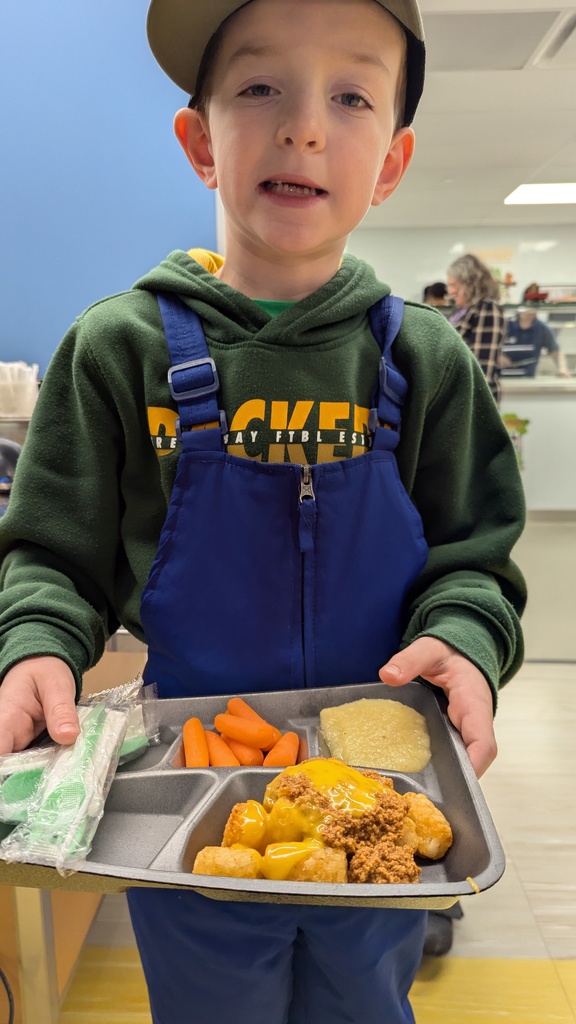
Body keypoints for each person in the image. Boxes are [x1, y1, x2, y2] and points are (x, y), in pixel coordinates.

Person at [0, 1, 526, 1022]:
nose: (305, 127)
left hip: (381, 790)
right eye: (259, 87)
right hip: (191, 804)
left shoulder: (425, 360)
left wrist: (466, 637)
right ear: (201, 142)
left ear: (392, 161)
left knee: (365, 1001)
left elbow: (474, 557)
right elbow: (54, 559)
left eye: (351, 95)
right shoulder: (116, 353)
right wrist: (37, 644)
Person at [447, 253, 505, 403]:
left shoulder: (487, 309)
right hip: (456, 395)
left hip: (473, 400)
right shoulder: (461, 310)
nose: (450, 291)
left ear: (471, 284)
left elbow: (482, 368)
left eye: (454, 285)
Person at [503, 307, 570, 378]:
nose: (531, 313)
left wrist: (562, 368)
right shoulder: (506, 325)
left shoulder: (542, 328)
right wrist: (498, 356)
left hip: (527, 378)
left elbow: (555, 351)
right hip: (501, 377)